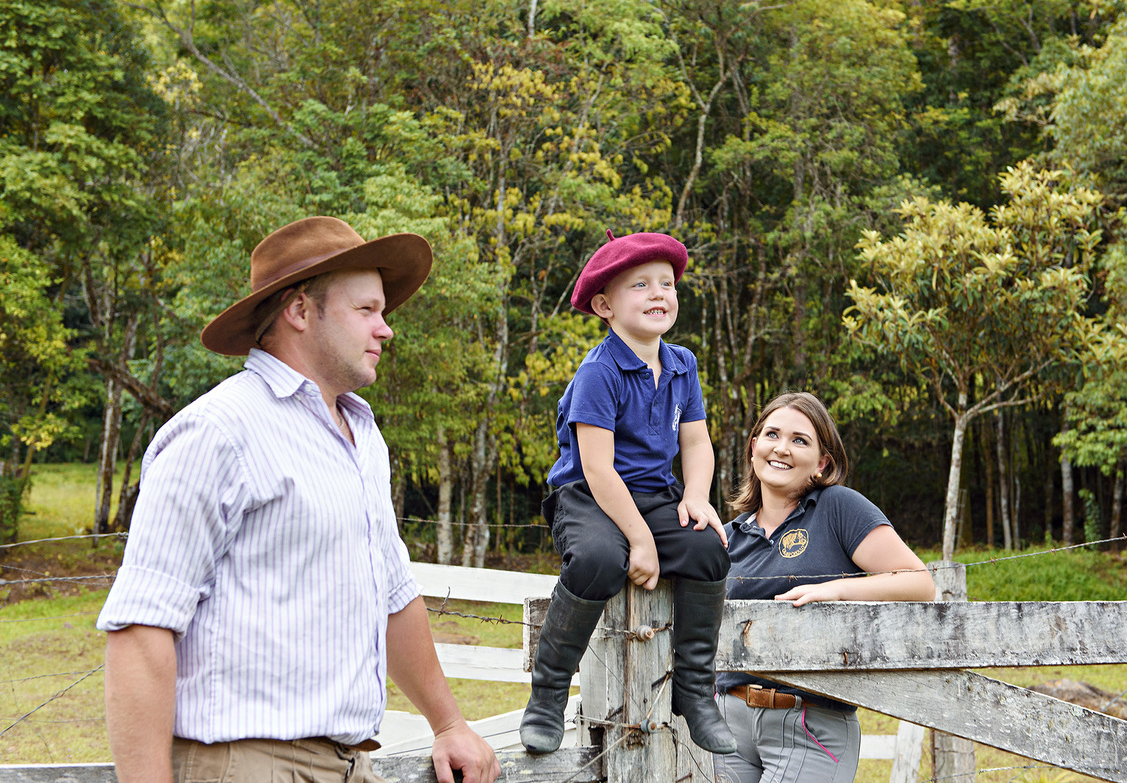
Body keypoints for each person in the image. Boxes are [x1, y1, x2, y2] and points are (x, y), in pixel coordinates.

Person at [97, 216, 500, 783]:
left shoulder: (361, 435)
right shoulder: (219, 432)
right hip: (244, 765)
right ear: (299, 311)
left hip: (347, 764)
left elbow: (393, 593)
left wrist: (449, 723)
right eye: (366, 310)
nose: (386, 330)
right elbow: (141, 630)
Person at [520, 229, 736, 756]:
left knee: (707, 547)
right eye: (640, 285)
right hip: (589, 495)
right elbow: (596, 468)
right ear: (605, 305)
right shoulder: (600, 371)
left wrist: (697, 496)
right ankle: (548, 694)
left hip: (655, 494)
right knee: (599, 558)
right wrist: (639, 540)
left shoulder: (682, 364)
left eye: (667, 283)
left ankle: (693, 689)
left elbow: (697, 441)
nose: (659, 293)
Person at [712, 391, 935, 783]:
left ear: (822, 462)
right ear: (753, 447)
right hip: (728, 722)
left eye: (800, 440)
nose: (782, 448)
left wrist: (835, 590)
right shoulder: (729, 536)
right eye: (771, 435)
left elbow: (919, 582)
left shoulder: (837, 508)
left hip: (809, 723)